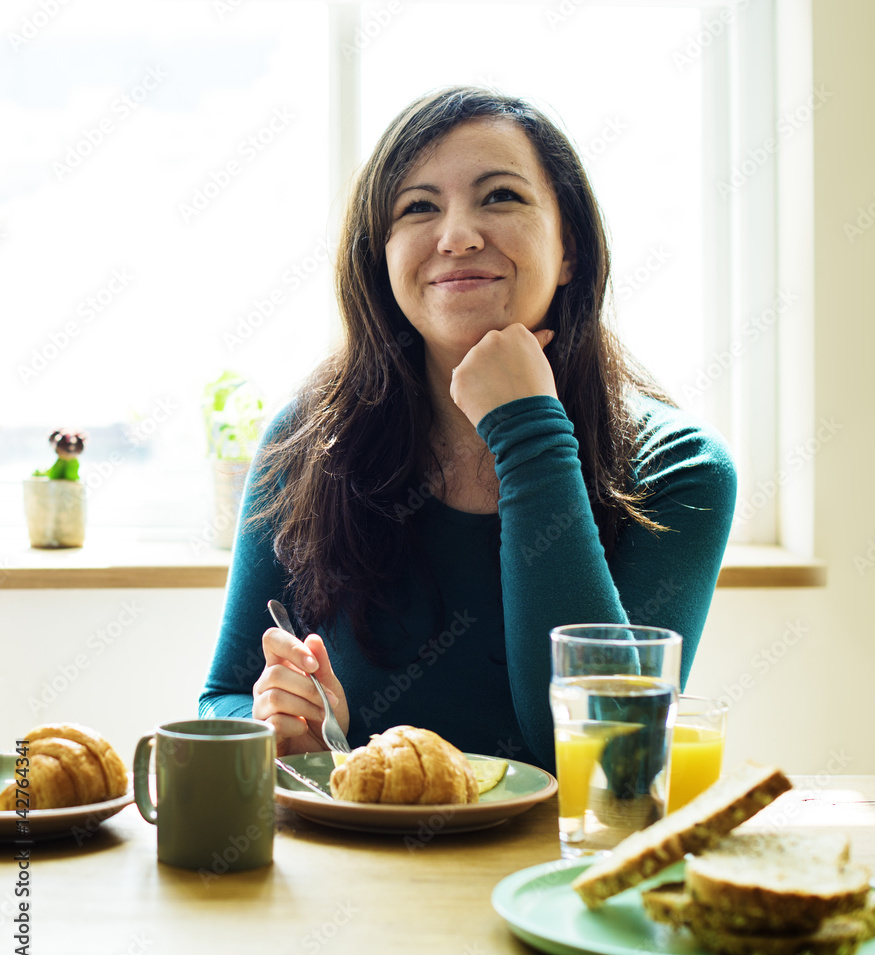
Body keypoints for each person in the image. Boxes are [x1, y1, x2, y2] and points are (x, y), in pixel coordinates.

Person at [199, 85, 737, 773]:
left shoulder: (680, 467)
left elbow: (609, 762)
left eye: (501, 197)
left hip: (562, 874)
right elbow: (222, 697)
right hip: (362, 865)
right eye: (418, 207)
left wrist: (528, 431)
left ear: (570, 249)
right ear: (382, 257)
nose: (456, 236)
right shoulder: (307, 440)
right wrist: (283, 730)